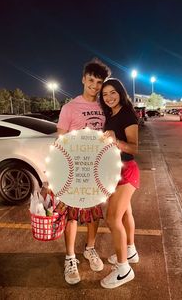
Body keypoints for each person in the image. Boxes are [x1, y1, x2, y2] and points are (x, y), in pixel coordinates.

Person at [56, 58, 111, 285]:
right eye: (91, 80)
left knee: (93, 214)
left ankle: (89, 249)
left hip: (96, 171)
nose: (95, 86)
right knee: (71, 215)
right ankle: (70, 258)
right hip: (73, 171)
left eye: (99, 82)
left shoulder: (104, 107)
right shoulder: (70, 107)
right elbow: (59, 139)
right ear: (83, 79)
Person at [99, 78, 140, 289]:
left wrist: (115, 140)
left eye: (113, 92)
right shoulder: (111, 114)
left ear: (120, 92)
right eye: (105, 94)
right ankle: (130, 251)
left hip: (127, 171)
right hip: (115, 170)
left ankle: (123, 270)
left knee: (112, 218)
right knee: (125, 214)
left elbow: (133, 148)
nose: (109, 97)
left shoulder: (127, 113)